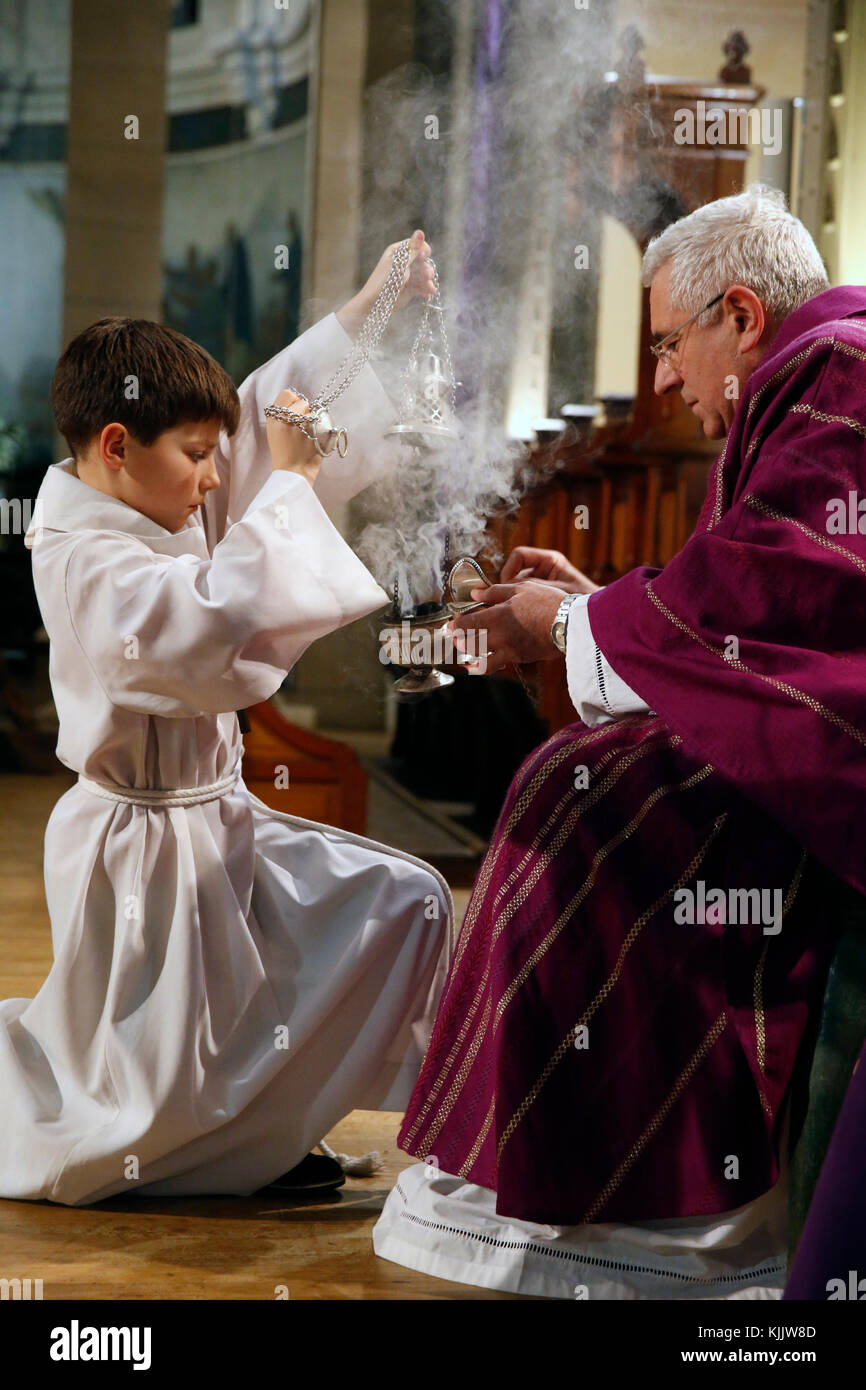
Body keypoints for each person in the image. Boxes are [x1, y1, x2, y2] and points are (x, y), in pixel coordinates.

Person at [374, 185, 866, 1298]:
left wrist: (574, 625)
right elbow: (743, 608)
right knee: (576, 783)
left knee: (593, 807)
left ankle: (642, 1195)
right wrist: (595, 607)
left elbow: (787, 597)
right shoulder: (809, 373)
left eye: (666, 344)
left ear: (738, 314)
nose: (657, 379)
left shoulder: (835, 374)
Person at [0, 232, 454, 1206]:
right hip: (143, 847)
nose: (217, 478)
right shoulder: (83, 555)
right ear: (115, 446)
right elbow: (212, 634)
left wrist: (370, 309)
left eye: (215, 460)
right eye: (196, 458)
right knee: (151, 1102)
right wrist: (286, 483)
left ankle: (270, 1129)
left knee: (407, 903)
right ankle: (222, 1149)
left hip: (217, 820)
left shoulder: (153, 501)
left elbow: (258, 418)